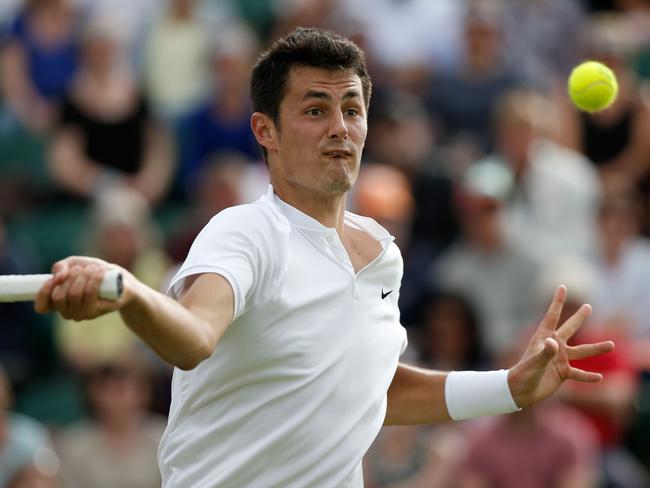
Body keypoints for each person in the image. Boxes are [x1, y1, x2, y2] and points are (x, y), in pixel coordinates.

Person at [34, 27, 614, 488]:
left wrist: (508, 388)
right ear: (266, 130)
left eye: (352, 109)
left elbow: (368, 391)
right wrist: (128, 291)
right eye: (315, 110)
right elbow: (192, 335)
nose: (340, 128)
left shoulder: (383, 254)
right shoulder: (242, 232)